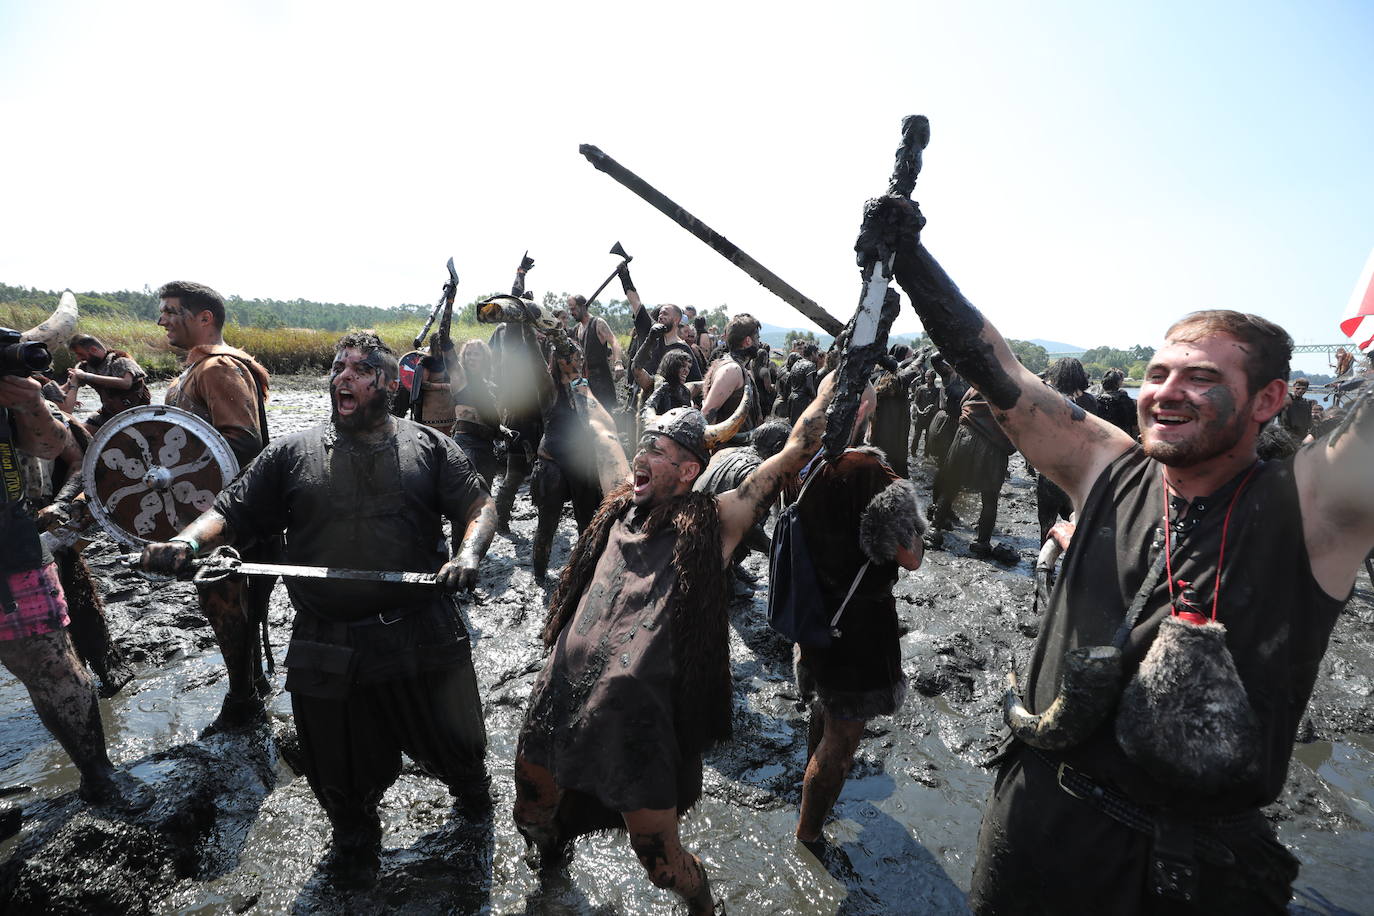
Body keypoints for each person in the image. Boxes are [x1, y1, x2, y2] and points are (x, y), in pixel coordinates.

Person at [874, 188, 1373, 914]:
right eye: (1161, 373)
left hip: (1178, 868)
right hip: (1035, 815)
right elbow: (1000, 371)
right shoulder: (1109, 466)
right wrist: (913, 260)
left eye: (1203, 378)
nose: (1167, 392)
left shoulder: (1311, 509)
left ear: (1268, 401)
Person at [141, 332, 497, 878]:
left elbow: (478, 505)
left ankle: (476, 834)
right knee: (341, 782)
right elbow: (231, 510)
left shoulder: (429, 445)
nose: (341, 378)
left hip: (421, 631)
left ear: (386, 382)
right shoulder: (289, 453)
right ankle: (354, 849)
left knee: (464, 763)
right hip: (326, 640)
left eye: (358, 369)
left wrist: (469, 553)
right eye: (337, 367)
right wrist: (187, 542)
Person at [513, 374, 841, 915]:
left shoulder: (715, 523)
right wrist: (572, 372)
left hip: (638, 730)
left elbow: (794, 451)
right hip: (560, 702)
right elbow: (600, 431)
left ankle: (704, 903)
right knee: (532, 811)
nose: (642, 455)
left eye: (658, 451)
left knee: (661, 864)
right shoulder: (621, 501)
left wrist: (842, 371)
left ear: (689, 470)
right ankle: (551, 868)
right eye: (644, 445)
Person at [0, 367, 151, 812]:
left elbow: (68, 449)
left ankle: (98, 774)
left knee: (57, 665)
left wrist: (26, 404)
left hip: (14, 547)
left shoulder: (22, 392)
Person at [784, 392, 925, 845]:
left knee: (825, 707)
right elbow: (910, 559)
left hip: (813, 608)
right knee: (841, 741)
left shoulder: (800, 462)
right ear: (861, 409)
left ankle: (807, 798)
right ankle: (809, 836)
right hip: (859, 626)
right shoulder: (870, 472)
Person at [156, 280, 275, 733]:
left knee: (228, 605)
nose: (162, 319)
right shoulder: (193, 372)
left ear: (204, 318)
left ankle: (242, 701)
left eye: (171, 310)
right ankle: (250, 689)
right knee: (228, 607)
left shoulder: (217, 368)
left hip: (231, 516)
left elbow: (243, 443)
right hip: (212, 512)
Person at [529, 341, 603, 580]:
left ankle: (585, 575)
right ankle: (540, 574)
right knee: (546, 527)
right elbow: (532, 354)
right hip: (552, 464)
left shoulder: (583, 386)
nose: (574, 363)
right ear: (558, 361)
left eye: (578, 358)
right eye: (569, 359)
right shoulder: (548, 386)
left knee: (588, 523)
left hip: (582, 464)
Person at [926, 385, 1017, 560]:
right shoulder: (1017, 390)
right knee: (990, 498)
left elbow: (962, 402)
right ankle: (982, 543)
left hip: (966, 436)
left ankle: (934, 530)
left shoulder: (978, 381)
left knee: (951, 486)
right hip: (995, 445)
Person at [1036, 358, 1098, 544]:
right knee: (1078, 525)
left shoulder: (1047, 398)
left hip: (1050, 469)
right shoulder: (1090, 401)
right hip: (1078, 472)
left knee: (1046, 525)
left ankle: (1044, 565)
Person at [620, 262, 702, 393]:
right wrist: (625, 276)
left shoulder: (683, 349)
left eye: (665, 314)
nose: (660, 316)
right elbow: (635, 302)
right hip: (639, 399)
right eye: (660, 313)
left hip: (666, 405)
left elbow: (695, 381)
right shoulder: (649, 331)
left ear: (676, 320)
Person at [61, 334, 150, 429]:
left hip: (137, 414)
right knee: (81, 433)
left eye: (81, 354)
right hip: (109, 413)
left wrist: (86, 376)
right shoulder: (85, 367)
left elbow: (126, 383)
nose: (78, 358)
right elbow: (68, 387)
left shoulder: (120, 360)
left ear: (93, 350)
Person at [701, 313, 765, 445]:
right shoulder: (732, 370)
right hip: (728, 454)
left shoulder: (738, 368)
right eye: (757, 338)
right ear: (748, 341)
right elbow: (707, 413)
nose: (759, 343)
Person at [449, 339, 502, 488]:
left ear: (484, 358)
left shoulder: (490, 386)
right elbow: (449, 357)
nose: (471, 358)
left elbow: (492, 419)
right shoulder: (460, 380)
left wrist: (503, 430)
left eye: (476, 354)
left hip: (487, 445)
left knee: (485, 491)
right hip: (466, 443)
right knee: (466, 491)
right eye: (468, 354)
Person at [567, 294, 624, 413]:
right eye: (570, 309)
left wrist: (618, 363)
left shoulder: (598, 323)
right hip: (585, 383)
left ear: (582, 307)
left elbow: (614, 341)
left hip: (601, 381)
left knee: (606, 417)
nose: (571, 312)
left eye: (573, 308)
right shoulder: (577, 329)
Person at [646, 349, 695, 416]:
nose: (686, 370)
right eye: (682, 366)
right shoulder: (656, 384)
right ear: (672, 366)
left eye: (689, 367)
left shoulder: (685, 392)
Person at [1094, 367, 1139, 438]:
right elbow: (1134, 424)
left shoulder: (1096, 401)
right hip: (1124, 438)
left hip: (1103, 438)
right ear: (1118, 383)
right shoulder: (1127, 401)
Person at [910, 369, 941, 458]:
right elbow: (915, 402)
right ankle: (913, 452)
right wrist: (919, 411)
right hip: (920, 416)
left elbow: (937, 404)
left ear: (933, 378)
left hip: (930, 417)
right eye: (926, 376)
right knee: (916, 436)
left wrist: (932, 408)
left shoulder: (937, 390)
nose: (927, 378)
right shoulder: (921, 389)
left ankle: (926, 454)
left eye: (929, 377)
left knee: (928, 437)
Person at [1278, 377, 1315, 442]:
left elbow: (1310, 423)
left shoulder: (1308, 403)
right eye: (1298, 388)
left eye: (1303, 389)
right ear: (1293, 387)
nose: (1300, 391)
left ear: (1306, 389)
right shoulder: (1286, 400)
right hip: (1285, 436)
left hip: (1302, 437)